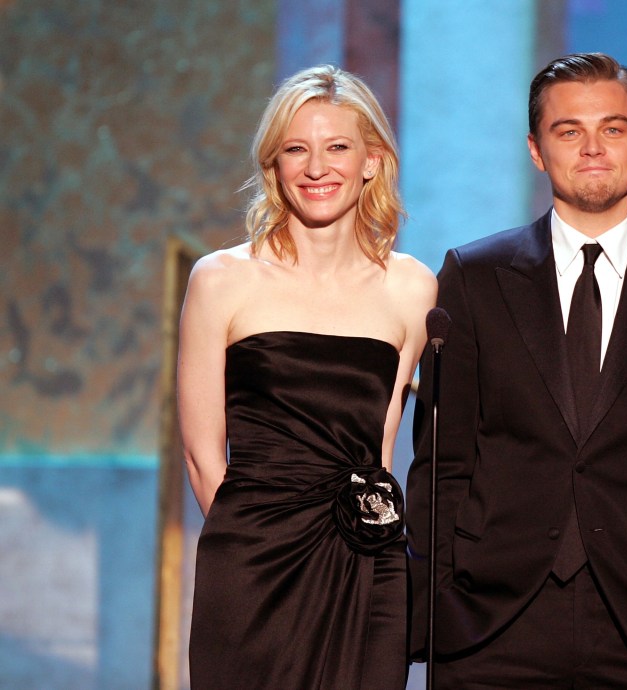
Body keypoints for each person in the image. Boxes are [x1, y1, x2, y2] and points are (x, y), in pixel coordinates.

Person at [406, 53, 627, 690]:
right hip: (492, 622)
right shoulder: (474, 277)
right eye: (569, 131)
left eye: (614, 128)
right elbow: (441, 463)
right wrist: (439, 608)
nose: (593, 148)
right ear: (537, 151)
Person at [178, 64, 436, 690]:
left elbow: (380, 450)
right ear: (275, 165)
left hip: (367, 567)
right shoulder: (220, 280)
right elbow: (202, 458)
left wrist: (353, 544)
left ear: (372, 161)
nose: (316, 167)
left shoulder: (411, 288)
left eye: (337, 147)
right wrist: (261, 539)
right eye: (297, 149)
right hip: (252, 568)